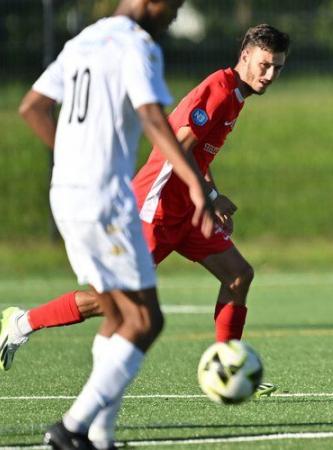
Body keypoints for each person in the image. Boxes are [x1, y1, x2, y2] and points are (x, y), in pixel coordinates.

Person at [2, 21, 289, 404]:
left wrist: (209, 194)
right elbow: (177, 147)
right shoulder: (219, 92)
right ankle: (21, 323)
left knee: (239, 275)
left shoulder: (235, 95)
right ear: (245, 56)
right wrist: (210, 194)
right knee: (110, 301)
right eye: (264, 64)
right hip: (154, 208)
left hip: (186, 210)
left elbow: (198, 152)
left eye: (277, 68)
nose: (269, 75)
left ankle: (228, 365)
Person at [13, 0, 216, 448]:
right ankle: (71, 428)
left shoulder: (83, 41)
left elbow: (32, 107)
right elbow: (151, 117)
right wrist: (196, 184)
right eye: (174, 5)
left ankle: (101, 438)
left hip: (66, 195)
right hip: (104, 199)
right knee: (146, 320)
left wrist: (69, 160)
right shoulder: (137, 45)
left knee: (117, 314)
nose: (175, 14)